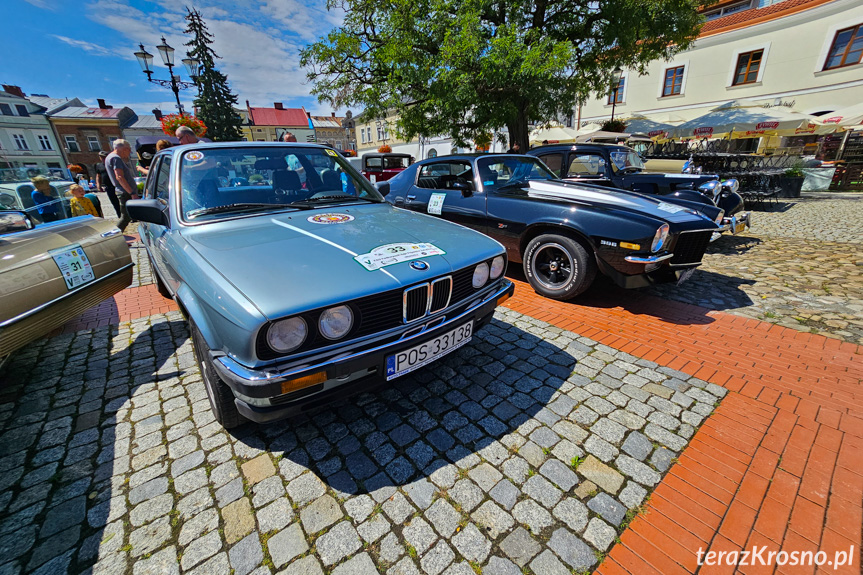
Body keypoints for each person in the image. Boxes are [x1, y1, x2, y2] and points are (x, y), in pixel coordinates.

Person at [105, 139, 138, 232]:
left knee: (128, 216)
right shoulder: (116, 158)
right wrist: (132, 192)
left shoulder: (109, 157)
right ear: (125, 149)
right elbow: (119, 177)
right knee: (125, 217)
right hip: (125, 192)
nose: (129, 153)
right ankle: (115, 237)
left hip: (122, 191)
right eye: (129, 150)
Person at [95, 151, 121, 218]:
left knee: (122, 201)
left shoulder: (112, 163)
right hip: (108, 187)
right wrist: (98, 185)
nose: (103, 158)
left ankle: (129, 216)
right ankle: (119, 215)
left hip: (117, 185)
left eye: (104, 157)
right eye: (101, 157)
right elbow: (98, 176)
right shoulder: (99, 166)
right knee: (114, 202)